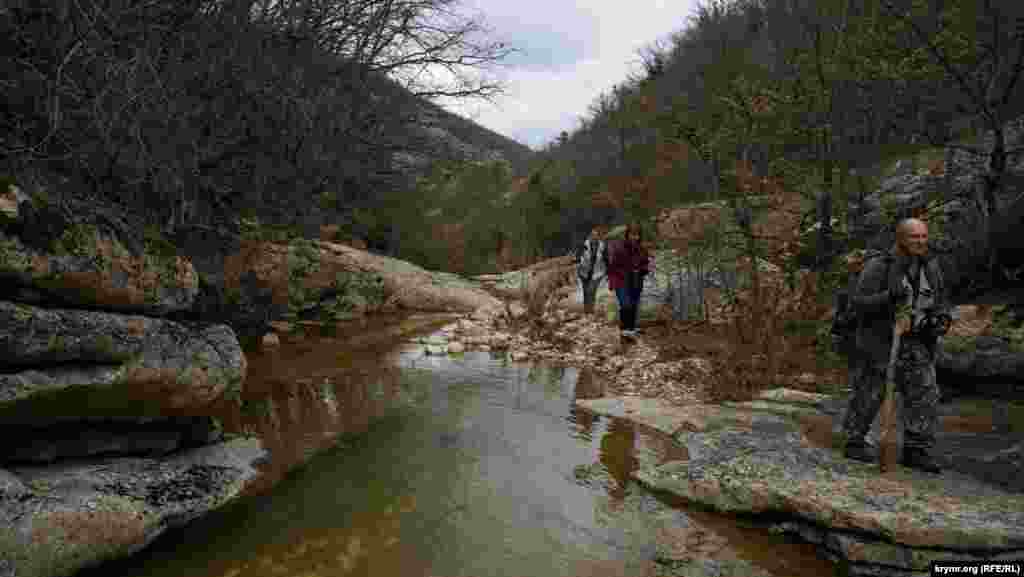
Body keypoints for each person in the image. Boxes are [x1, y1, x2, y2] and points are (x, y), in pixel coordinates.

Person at [842, 218, 951, 473]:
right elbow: (857, 303)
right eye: (915, 237)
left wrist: (942, 318)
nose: (921, 242)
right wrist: (889, 297)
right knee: (871, 390)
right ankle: (855, 440)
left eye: (924, 236)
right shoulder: (879, 266)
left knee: (925, 391)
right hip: (880, 339)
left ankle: (916, 449)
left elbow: (940, 298)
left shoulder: (930, 266)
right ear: (901, 238)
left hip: (916, 339)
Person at [606, 223, 651, 341]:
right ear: (627, 235)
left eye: (637, 235)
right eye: (632, 235)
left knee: (634, 306)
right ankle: (624, 332)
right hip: (621, 280)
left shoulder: (642, 249)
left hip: (636, 280)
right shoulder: (619, 247)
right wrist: (612, 281)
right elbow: (611, 266)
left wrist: (643, 270)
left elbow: (645, 263)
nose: (635, 237)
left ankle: (630, 331)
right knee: (626, 305)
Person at [575, 226, 607, 315]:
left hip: (597, 272)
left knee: (591, 290)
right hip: (584, 272)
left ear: (599, 236)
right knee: (586, 292)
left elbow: (606, 258)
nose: (594, 237)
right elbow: (577, 256)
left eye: (596, 235)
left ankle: (591, 311)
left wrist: (609, 270)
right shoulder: (584, 245)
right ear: (589, 236)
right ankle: (587, 311)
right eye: (592, 235)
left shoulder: (602, 246)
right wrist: (578, 260)